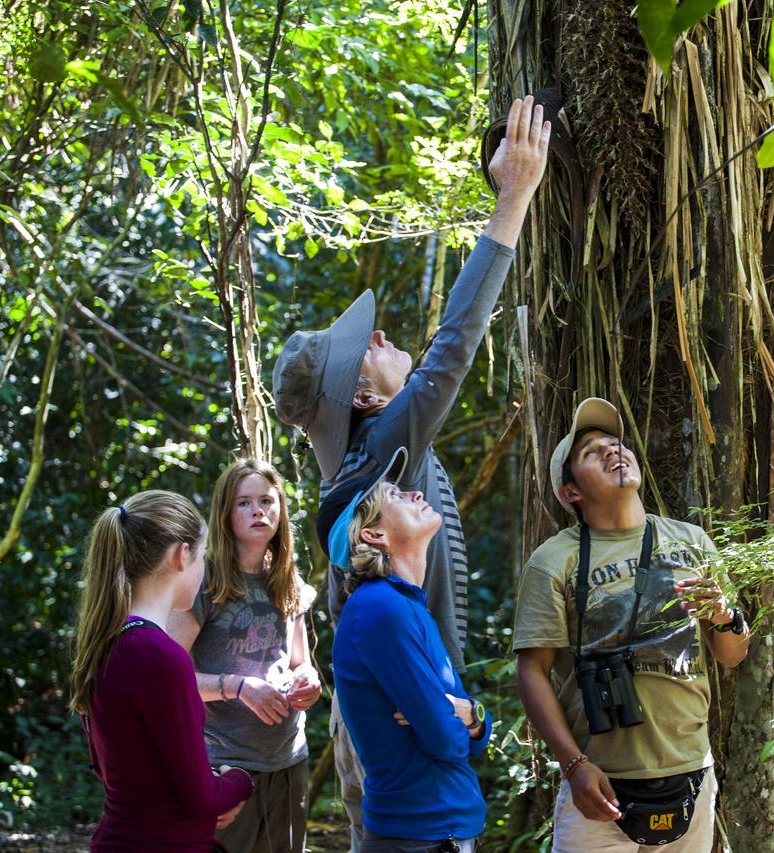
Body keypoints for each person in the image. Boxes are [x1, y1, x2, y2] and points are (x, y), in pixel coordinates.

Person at [271, 94, 550, 847]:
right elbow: (452, 349)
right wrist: (514, 195)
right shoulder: (378, 455)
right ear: (363, 397)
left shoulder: (362, 469)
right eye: (369, 344)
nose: (386, 335)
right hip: (420, 752)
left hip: (406, 734)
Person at [513, 398, 750, 852]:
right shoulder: (554, 561)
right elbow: (532, 671)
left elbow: (732, 654)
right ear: (570, 493)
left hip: (691, 770)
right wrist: (574, 765)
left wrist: (725, 617)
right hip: (598, 783)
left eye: (615, 442)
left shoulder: (693, 541)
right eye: (591, 452)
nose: (611, 450)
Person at [324, 446, 493, 852]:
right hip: (420, 835)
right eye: (396, 496)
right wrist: (458, 719)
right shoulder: (381, 609)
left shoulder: (406, 604)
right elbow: (446, 740)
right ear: (374, 534)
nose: (415, 493)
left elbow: (470, 728)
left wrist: (473, 714)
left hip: (438, 829)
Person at [70, 490, 253, 851]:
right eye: (202, 556)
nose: (204, 569)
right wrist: (240, 779)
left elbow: (116, 771)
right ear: (181, 555)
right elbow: (204, 800)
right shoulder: (162, 657)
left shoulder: (106, 640)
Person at [167, 459, 321, 853]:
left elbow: (299, 661)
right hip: (222, 764)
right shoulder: (203, 581)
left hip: (287, 760)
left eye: (267, 501)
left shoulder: (288, 579)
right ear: (224, 513)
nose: (258, 511)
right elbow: (166, 678)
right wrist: (236, 687)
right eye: (244, 503)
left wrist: (309, 681)